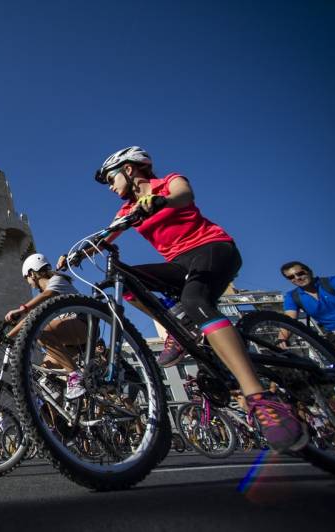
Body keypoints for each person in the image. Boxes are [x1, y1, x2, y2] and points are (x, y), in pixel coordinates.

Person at [64, 146, 306, 453]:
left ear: (129, 169)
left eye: (111, 178)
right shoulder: (127, 209)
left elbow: (184, 195)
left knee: (195, 300)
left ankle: (258, 396)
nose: (111, 187)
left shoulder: (168, 183)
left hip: (213, 248)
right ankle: (179, 328)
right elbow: (107, 236)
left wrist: (161, 201)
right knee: (126, 282)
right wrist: (77, 253)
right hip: (179, 263)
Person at [4, 253, 88, 399]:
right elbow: (31, 318)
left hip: (84, 325)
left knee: (39, 329)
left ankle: (75, 375)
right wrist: (7, 336)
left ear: (32, 274)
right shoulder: (45, 293)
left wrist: (21, 309)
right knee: (46, 369)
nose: (29, 283)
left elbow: (46, 295)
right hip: (71, 337)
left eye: (27, 279)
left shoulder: (56, 281)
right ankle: (65, 407)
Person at [278, 261, 335, 348]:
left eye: (300, 273)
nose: (297, 278)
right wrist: (282, 338)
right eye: (291, 277)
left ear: (310, 271)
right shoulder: (292, 296)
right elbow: (289, 318)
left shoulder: (333, 281)